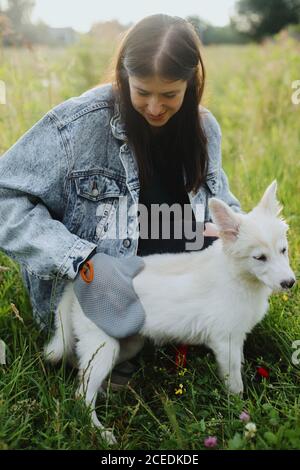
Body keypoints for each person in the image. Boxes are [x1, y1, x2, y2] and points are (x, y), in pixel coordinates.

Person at [0, 14, 241, 386]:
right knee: (116, 372)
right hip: (101, 288)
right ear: (124, 76)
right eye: (143, 92)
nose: (156, 107)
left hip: (173, 287)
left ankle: (164, 337)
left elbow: (220, 198)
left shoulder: (204, 127)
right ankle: (111, 343)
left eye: (170, 95)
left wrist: (232, 231)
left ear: (190, 83)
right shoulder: (79, 124)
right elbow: (5, 197)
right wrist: (81, 259)